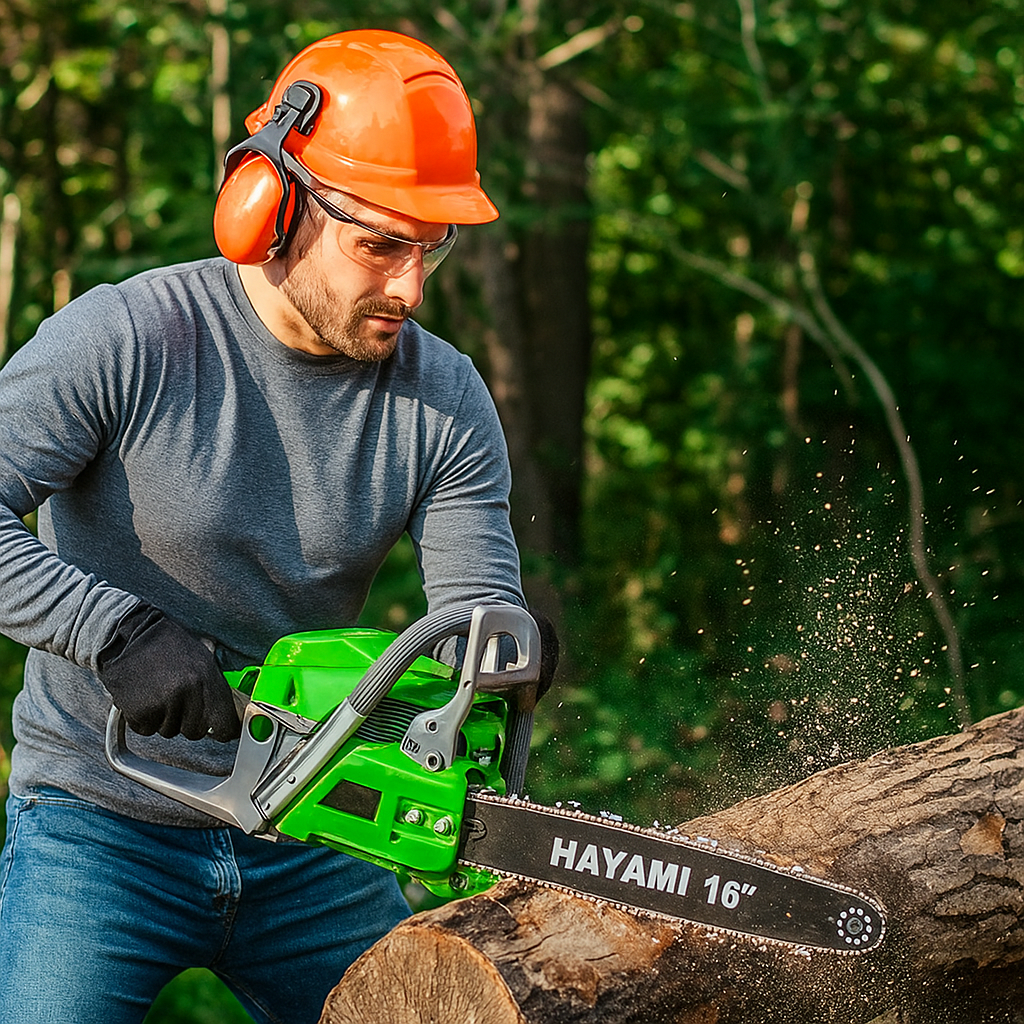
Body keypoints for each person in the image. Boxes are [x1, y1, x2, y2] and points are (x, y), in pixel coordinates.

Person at [0, 30, 530, 1024]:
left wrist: (500, 655)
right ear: (270, 209)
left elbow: (473, 612)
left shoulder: (443, 395)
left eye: (432, 247)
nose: (411, 290)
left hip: (319, 839)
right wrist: (111, 631)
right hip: (100, 824)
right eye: (382, 244)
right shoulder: (125, 341)